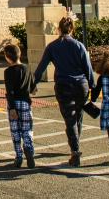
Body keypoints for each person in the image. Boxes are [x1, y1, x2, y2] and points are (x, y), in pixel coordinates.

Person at [32, 16, 96, 167]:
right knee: (78, 115)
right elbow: (88, 68)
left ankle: (75, 151)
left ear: (58, 29)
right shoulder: (79, 46)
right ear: (72, 29)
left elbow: (41, 67)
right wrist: (93, 86)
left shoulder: (52, 47)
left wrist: (32, 84)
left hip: (63, 85)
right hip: (81, 85)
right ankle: (76, 144)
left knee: (69, 119)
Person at [3, 44, 37, 168]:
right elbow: (33, 88)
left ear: (8, 57)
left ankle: (18, 156)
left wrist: (12, 108)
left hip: (14, 103)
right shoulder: (27, 68)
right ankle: (29, 149)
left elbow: (9, 91)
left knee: (15, 130)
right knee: (27, 128)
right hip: (25, 102)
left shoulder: (8, 72)